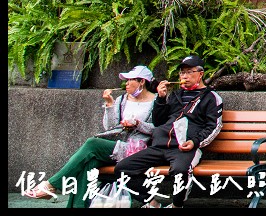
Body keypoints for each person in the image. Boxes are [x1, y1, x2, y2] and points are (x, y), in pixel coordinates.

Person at [25, 65, 156, 207]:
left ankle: (52, 184)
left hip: (136, 150)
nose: (127, 84)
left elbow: (158, 130)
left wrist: (137, 124)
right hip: (115, 146)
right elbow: (110, 127)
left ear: (142, 82)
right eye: (126, 80)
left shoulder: (156, 102)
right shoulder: (123, 99)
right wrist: (110, 104)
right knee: (89, 165)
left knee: (92, 144)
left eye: (130, 80)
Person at [114, 54, 224, 208]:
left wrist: (195, 142)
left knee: (180, 171)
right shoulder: (176, 95)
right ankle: (151, 202)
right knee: (123, 168)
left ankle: (176, 205)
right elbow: (158, 122)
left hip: (184, 148)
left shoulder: (211, 98)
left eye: (189, 72)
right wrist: (160, 99)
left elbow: (214, 127)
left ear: (200, 74)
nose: (184, 76)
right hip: (160, 145)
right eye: (182, 73)